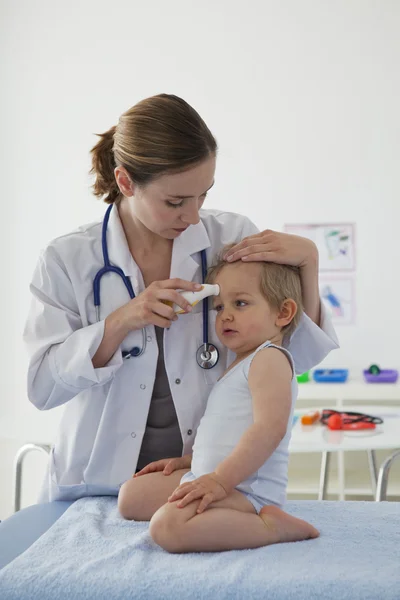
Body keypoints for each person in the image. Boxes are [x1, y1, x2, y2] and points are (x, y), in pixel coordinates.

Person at [23, 93, 338, 504]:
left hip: (201, 477)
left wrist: (310, 263)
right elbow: (42, 388)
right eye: (175, 202)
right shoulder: (66, 259)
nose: (193, 217)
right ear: (125, 182)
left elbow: (291, 354)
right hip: (95, 483)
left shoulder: (231, 238)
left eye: (203, 195)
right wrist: (122, 321)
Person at [118, 251, 319, 552]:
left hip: (245, 490)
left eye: (240, 304)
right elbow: (227, 431)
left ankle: (269, 526)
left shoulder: (270, 360)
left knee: (168, 527)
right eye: (220, 306)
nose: (225, 315)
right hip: (209, 476)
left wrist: (221, 481)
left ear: (283, 313)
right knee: (131, 497)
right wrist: (192, 461)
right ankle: (207, 490)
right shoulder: (240, 363)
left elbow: (268, 430)